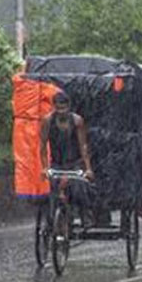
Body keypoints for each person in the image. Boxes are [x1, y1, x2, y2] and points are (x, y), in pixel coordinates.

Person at [39, 91, 94, 219]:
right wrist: (45, 167)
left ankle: (84, 214)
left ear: (69, 107)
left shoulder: (77, 121)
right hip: (57, 163)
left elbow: (83, 146)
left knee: (79, 188)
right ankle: (50, 219)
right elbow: (43, 146)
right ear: (54, 107)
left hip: (74, 163)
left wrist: (88, 168)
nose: (61, 112)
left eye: (64, 109)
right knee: (52, 190)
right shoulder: (48, 121)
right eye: (58, 109)